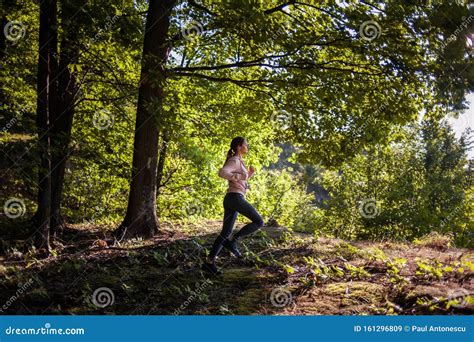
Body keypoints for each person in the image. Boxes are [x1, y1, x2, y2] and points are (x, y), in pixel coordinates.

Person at [202, 137, 264, 275]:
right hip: (235, 198)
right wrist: (242, 176)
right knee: (259, 221)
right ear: (238, 146)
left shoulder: (239, 161)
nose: (247, 147)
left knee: (225, 233)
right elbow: (223, 173)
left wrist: (249, 175)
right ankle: (233, 241)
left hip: (232, 198)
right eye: (245, 145)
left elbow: (240, 179)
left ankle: (209, 262)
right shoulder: (235, 160)